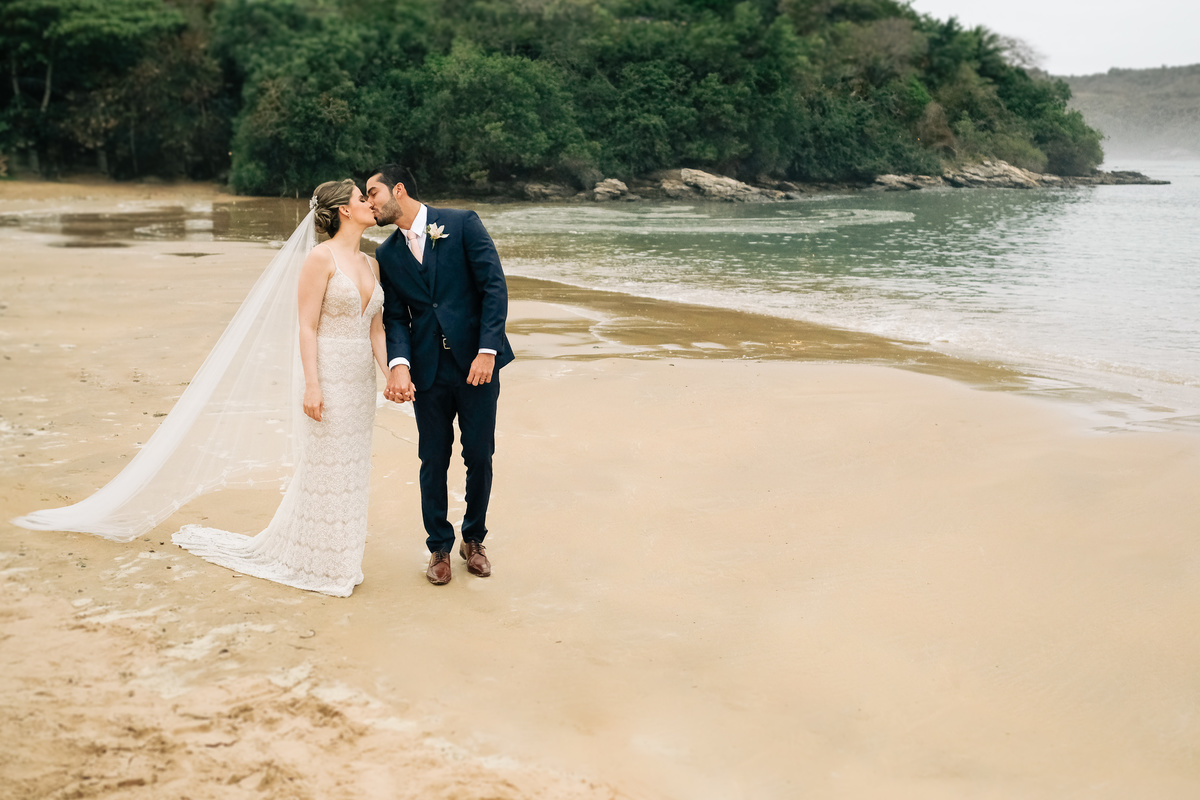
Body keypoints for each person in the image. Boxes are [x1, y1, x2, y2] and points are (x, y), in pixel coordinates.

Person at [169, 180, 387, 596]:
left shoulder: (371, 264)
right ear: (344, 209)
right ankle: (318, 563)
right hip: (327, 374)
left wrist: (396, 373)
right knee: (324, 469)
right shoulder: (319, 259)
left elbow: (376, 329)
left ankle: (341, 560)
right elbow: (306, 326)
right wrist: (312, 385)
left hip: (361, 382)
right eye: (363, 198)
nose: (370, 204)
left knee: (353, 471)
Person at [365, 164, 515, 585]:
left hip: (476, 367)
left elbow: (493, 287)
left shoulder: (462, 223)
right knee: (433, 458)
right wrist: (399, 364)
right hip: (428, 371)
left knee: (479, 455)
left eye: (373, 193)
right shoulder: (387, 254)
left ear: (398, 189)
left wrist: (487, 351)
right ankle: (438, 547)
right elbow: (396, 317)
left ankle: (474, 539)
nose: (369, 202)